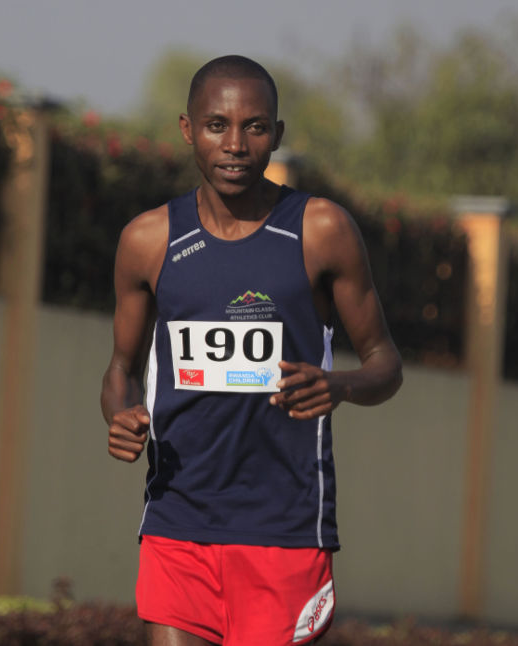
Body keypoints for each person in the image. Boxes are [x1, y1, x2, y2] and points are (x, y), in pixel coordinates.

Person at [101, 55, 402, 646]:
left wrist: (338, 385)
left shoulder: (320, 230)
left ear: (277, 134)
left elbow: (385, 364)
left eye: (255, 127)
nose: (235, 145)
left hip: (285, 529)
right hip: (177, 520)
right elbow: (120, 369)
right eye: (217, 126)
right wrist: (120, 415)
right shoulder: (148, 240)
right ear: (188, 129)